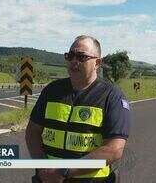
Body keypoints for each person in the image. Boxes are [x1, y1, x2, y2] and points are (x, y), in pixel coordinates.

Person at [25, 35, 130, 182]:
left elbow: (114, 149)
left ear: (97, 63)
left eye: (81, 57)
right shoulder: (52, 91)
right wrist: (43, 168)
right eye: (70, 56)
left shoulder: (112, 96)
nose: (74, 61)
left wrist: (64, 171)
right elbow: (32, 132)